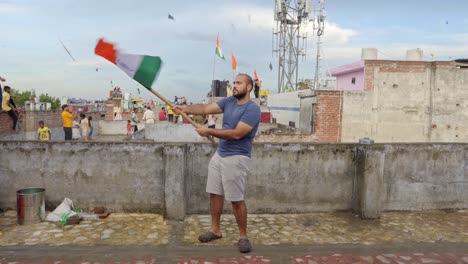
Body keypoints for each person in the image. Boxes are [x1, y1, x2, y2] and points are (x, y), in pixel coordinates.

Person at [173, 73, 261, 254]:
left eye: (239, 83)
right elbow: (206, 108)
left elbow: (237, 133)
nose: (234, 86)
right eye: (234, 83)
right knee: (215, 194)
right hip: (220, 155)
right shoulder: (228, 101)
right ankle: (215, 230)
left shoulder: (252, 109)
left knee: (236, 200)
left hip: (237, 157)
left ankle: (243, 236)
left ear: (249, 87)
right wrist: (184, 109)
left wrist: (209, 132)